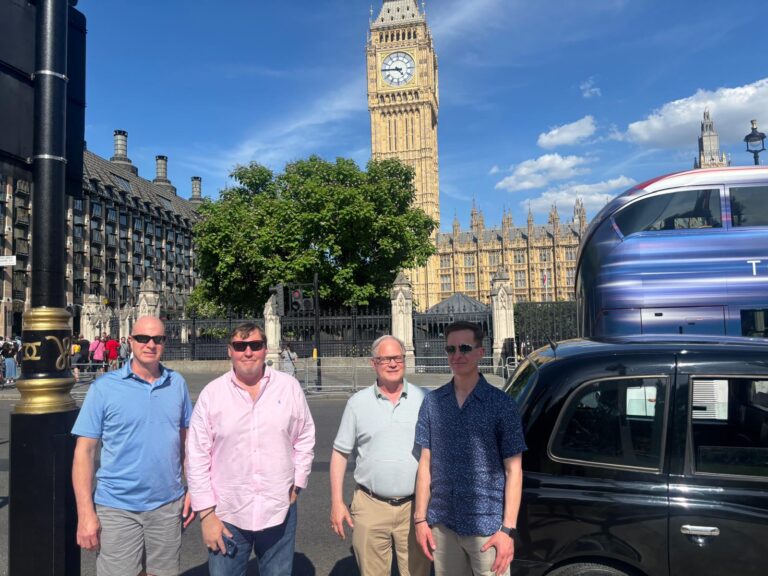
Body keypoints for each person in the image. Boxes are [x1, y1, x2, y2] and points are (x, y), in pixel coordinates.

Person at [186, 322, 315, 576]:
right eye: (240, 346)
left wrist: (298, 482)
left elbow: (305, 437)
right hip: (227, 512)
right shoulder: (212, 394)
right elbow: (197, 456)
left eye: (255, 345)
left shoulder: (288, 387)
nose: (248, 352)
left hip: (279, 507)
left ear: (266, 349)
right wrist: (206, 515)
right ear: (229, 351)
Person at [71, 316, 194, 576]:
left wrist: (193, 488)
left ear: (164, 342)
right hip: (117, 507)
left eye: (158, 339)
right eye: (142, 338)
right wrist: (85, 513)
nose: (150, 344)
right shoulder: (104, 387)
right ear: (130, 341)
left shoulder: (177, 383)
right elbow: (84, 452)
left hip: (167, 504)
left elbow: (187, 444)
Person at [414, 321, 526, 576]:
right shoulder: (432, 402)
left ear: (480, 352)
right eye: (450, 349)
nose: (457, 355)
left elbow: (514, 471)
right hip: (443, 525)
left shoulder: (502, 405)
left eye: (464, 348)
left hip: (486, 526)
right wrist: (420, 519)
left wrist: (507, 530)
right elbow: (425, 464)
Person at [330, 335, 431, 576]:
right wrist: (336, 502)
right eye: (385, 359)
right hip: (370, 505)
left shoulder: (425, 399)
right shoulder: (357, 403)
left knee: (417, 572)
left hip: (415, 507)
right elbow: (340, 454)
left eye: (397, 357)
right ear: (373, 363)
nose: (393, 364)